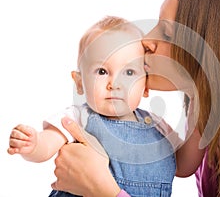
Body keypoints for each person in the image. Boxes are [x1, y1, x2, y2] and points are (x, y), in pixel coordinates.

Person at [51, 0, 220, 196]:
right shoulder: (211, 122)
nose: (146, 40)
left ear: (215, 52)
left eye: (166, 32)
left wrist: (104, 189)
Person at [7, 16, 182, 197]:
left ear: (145, 86)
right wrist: (33, 144)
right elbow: (47, 144)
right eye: (102, 71)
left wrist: (198, 99)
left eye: (129, 72)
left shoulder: (157, 124)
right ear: (80, 82)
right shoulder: (78, 117)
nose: (115, 83)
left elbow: (185, 165)